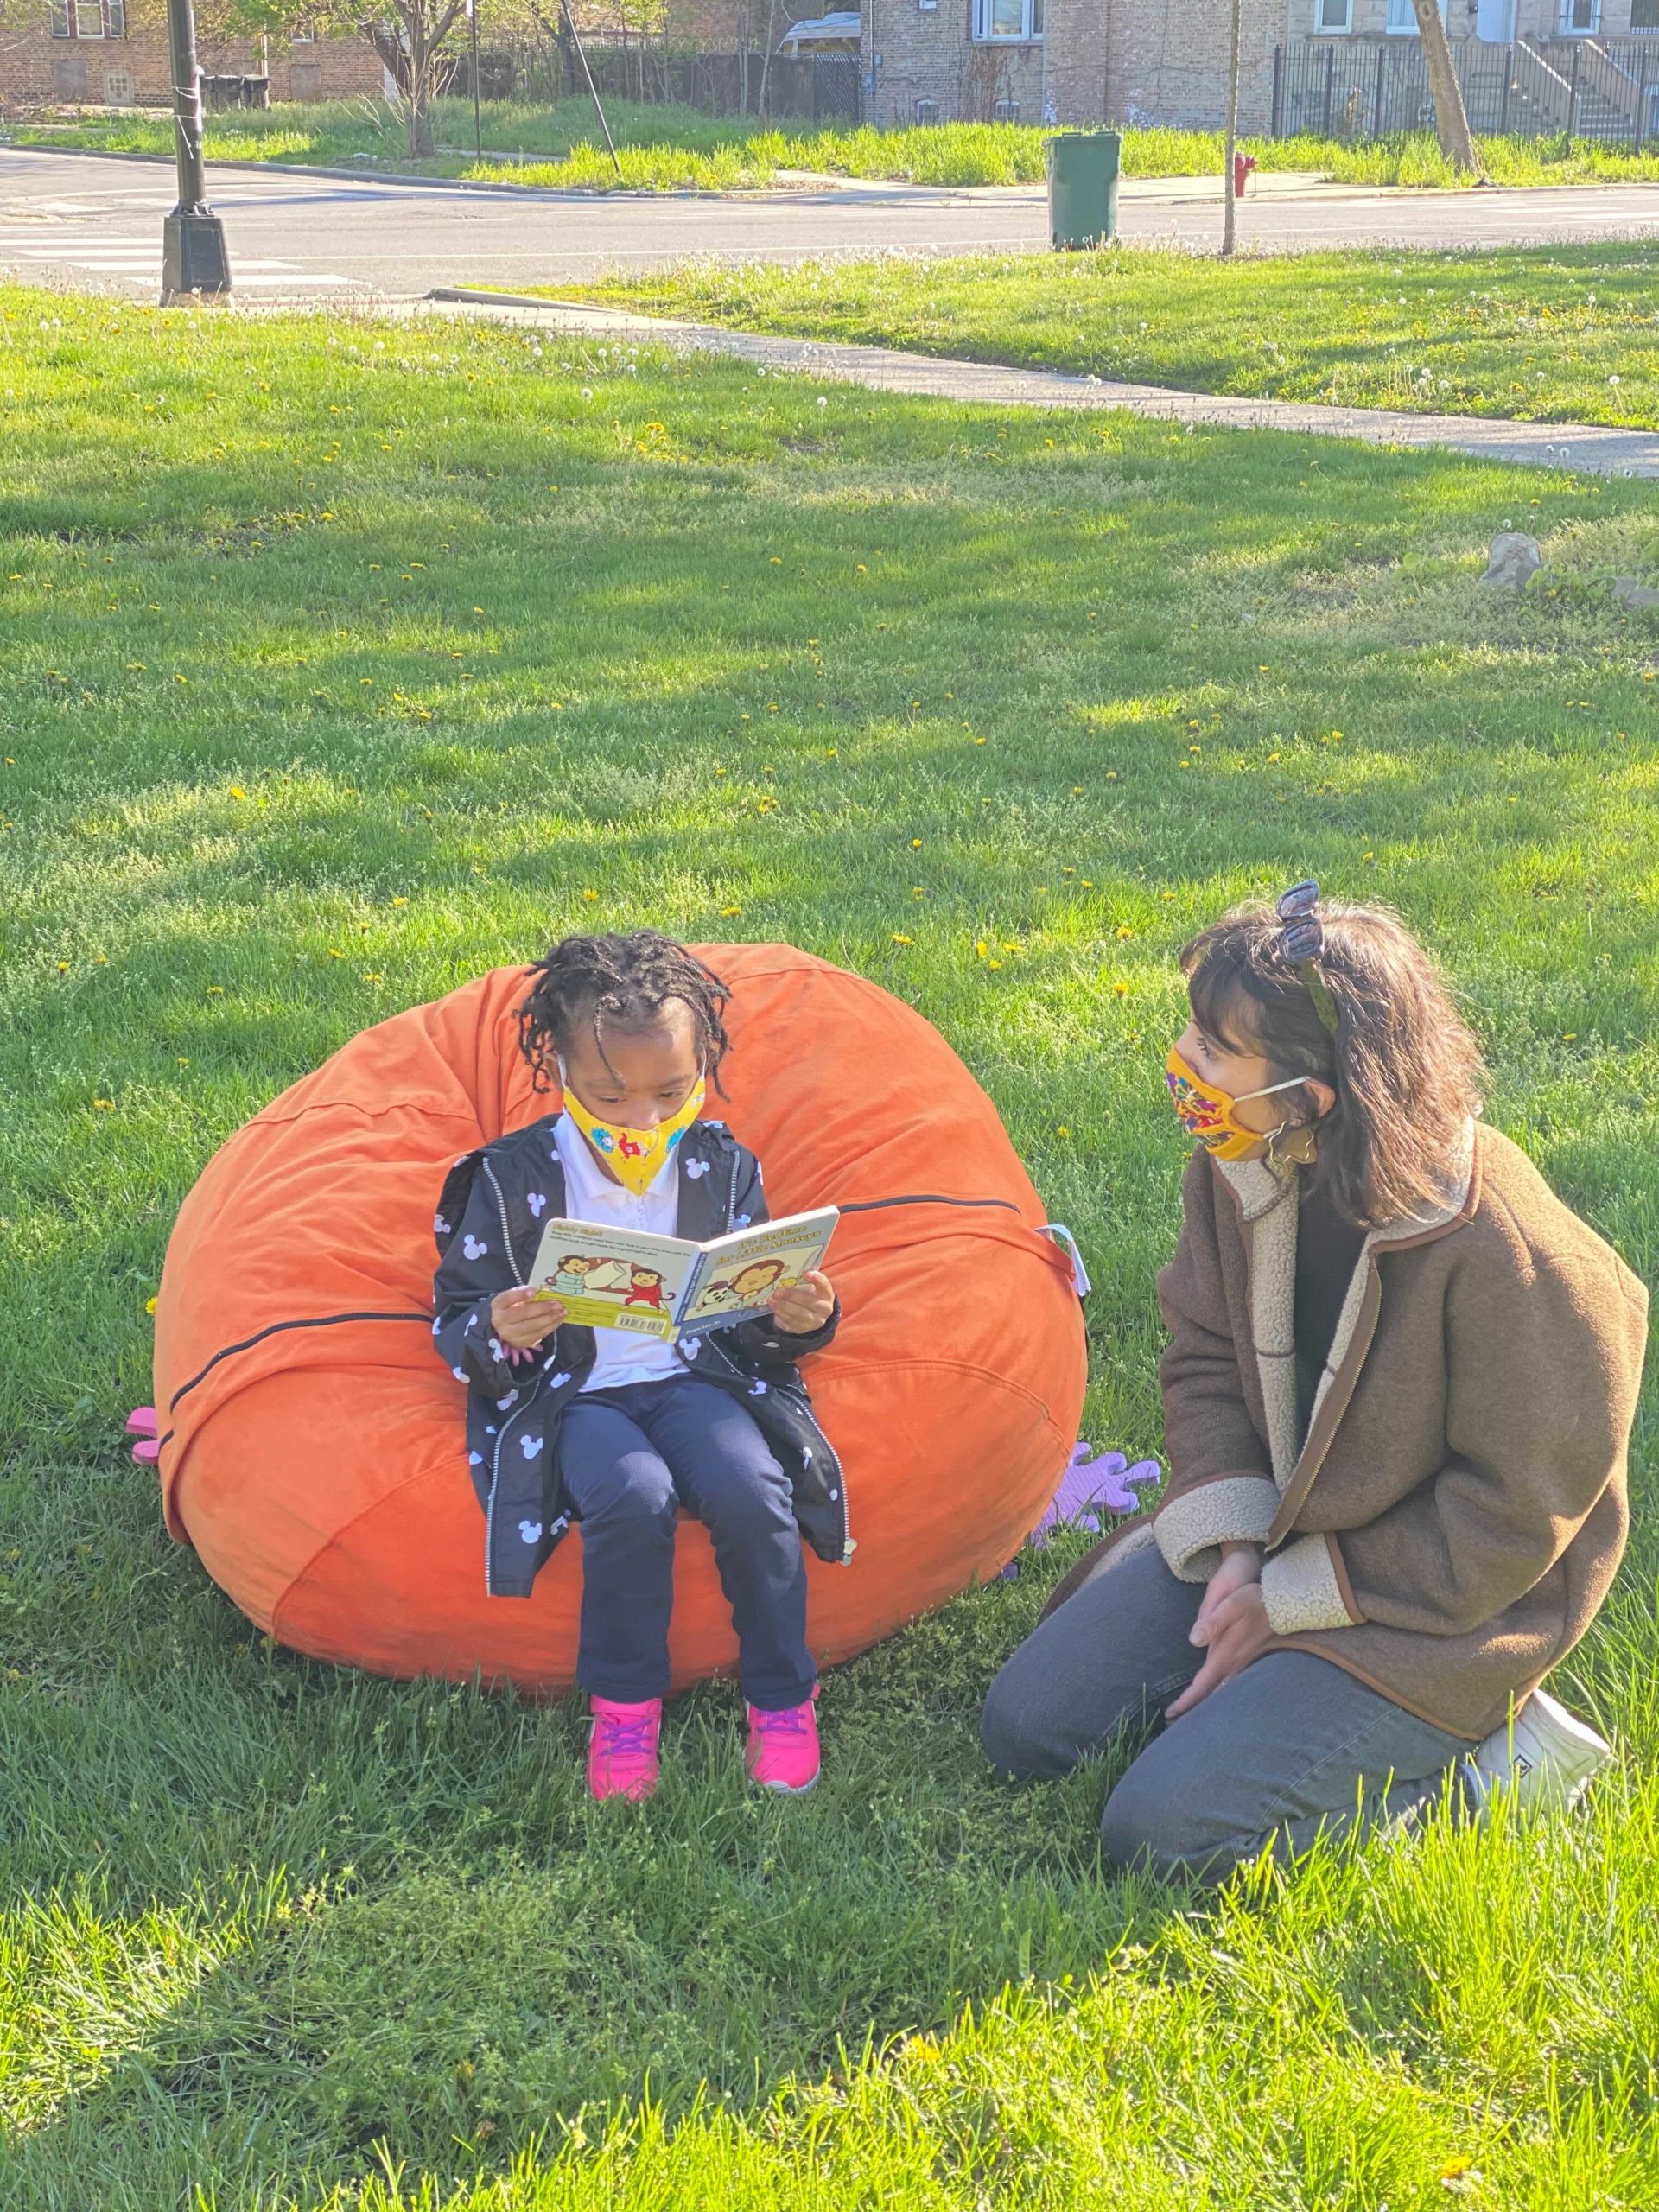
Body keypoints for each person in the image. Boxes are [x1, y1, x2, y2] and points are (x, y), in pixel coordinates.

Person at [982, 886, 1648, 1881]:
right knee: (1026, 1726)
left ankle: (1492, 1776)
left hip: (1440, 1604)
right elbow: (1206, 1356)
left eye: (1214, 1048)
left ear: (1312, 1096)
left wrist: (1291, 1599)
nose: (1182, 1060)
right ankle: (1268, 1701)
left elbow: (1512, 1522)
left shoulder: (1515, 1255)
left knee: (1161, 1837)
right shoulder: (1246, 1157)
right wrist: (1237, 1551)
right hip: (1280, 1534)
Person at [432, 931, 842, 1804]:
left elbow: (748, 1315)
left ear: (703, 1070)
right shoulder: (508, 1179)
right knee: (632, 1496)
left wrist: (795, 1317)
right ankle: (624, 1710)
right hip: (579, 1395)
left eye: (670, 1092)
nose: (643, 1121)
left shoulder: (722, 1165)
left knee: (753, 1490)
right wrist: (500, 1325)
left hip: (695, 1380)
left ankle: (782, 1697)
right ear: (559, 1069)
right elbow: (457, 1312)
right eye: (610, 1096)